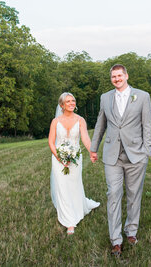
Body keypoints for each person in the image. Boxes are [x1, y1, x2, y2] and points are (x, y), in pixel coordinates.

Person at [90, 64, 151, 256]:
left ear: (126, 75)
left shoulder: (142, 96)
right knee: (113, 194)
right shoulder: (105, 98)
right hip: (112, 155)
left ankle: (131, 231)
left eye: (119, 75)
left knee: (134, 195)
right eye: (113, 77)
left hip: (136, 155)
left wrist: (146, 152)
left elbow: (147, 125)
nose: (116, 79)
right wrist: (94, 148)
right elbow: (100, 124)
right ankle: (116, 240)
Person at [48, 92, 100, 235]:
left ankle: (79, 207)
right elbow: (51, 142)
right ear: (62, 105)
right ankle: (69, 221)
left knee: (75, 185)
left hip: (76, 158)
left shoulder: (80, 120)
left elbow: (85, 139)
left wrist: (92, 151)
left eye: (73, 101)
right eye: (68, 101)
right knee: (63, 187)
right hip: (59, 159)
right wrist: (59, 158)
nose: (72, 103)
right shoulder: (56, 121)